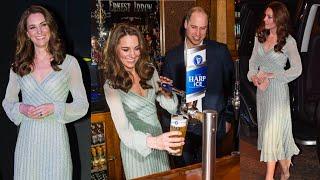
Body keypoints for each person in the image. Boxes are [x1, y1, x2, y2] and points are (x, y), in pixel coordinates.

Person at [2, 5, 89, 180]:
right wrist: (21, 108)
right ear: (26, 33)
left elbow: (82, 105)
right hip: (27, 145)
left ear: (50, 27)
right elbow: (7, 102)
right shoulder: (18, 65)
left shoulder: (69, 63)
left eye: (43, 25)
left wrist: (55, 108)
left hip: (56, 143)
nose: (39, 31)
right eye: (33, 27)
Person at [103, 23, 185, 179]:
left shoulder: (149, 70)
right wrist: (154, 142)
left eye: (136, 48)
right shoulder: (111, 85)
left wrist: (167, 93)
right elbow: (124, 132)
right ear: (115, 50)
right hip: (137, 148)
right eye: (125, 49)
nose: (132, 55)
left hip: (159, 140)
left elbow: (172, 108)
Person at [161, 6, 234, 167]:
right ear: (185, 24)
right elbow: (165, 95)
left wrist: (228, 119)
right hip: (184, 129)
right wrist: (170, 129)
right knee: (186, 173)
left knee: (212, 172)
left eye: (203, 28)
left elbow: (231, 86)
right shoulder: (172, 57)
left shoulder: (220, 52)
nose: (198, 33)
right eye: (194, 27)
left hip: (213, 126)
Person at [246, 1, 301, 180]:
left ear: (279, 19)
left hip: (278, 94)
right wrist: (253, 76)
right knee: (276, 140)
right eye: (265, 15)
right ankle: (285, 171)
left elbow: (297, 70)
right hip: (263, 94)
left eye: (269, 17)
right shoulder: (259, 36)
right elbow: (253, 63)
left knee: (271, 135)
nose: (265, 19)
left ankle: (269, 177)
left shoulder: (289, 42)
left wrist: (273, 75)